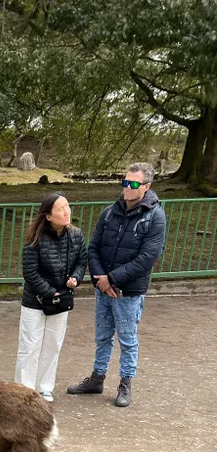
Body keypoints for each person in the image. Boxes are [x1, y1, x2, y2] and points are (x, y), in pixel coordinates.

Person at [67, 163, 166, 407]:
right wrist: (101, 280)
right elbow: (94, 248)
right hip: (104, 287)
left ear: (146, 186)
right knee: (102, 335)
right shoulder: (110, 212)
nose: (127, 188)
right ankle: (97, 378)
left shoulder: (155, 216)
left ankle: (125, 384)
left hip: (128, 291)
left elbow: (147, 257)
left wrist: (112, 279)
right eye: (125, 182)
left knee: (127, 338)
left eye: (133, 184)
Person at [14, 193, 87, 402]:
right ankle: (24, 388)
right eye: (60, 208)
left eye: (67, 206)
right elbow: (30, 271)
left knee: (53, 344)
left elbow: (82, 261)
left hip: (62, 298)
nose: (66, 211)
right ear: (48, 215)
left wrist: (75, 278)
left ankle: (45, 386)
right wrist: (47, 291)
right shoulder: (35, 237)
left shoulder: (75, 235)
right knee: (30, 344)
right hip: (35, 299)